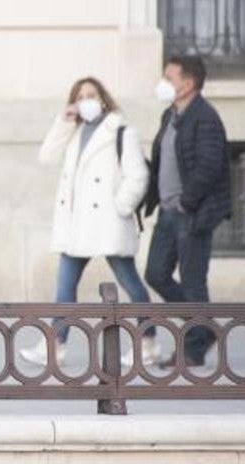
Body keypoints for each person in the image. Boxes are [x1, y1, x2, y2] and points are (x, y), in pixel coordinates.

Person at [21, 76, 156, 366]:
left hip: (109, 222)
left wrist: (121, 206)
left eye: (91, 95)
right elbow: (46, 156)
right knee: (64, 286)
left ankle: (147, 342)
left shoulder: (121, 131)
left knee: (130, 283)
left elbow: (138, 175)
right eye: (80, 97)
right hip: (78, 225)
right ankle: (55, 347)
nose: (86, 101)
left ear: (103, 98)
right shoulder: (74, 131)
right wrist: (63, 121)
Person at [143, 55, 233, 368]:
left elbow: (209, 166)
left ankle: (194, 349)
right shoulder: (171, 116)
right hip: (168, 213)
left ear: (188, 84)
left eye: (169, 77)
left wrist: (187, 202)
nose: (163, 82)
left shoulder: (204, 117)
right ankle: (204, 328)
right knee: (155, 273)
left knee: (193, 281)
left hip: (192, 214)